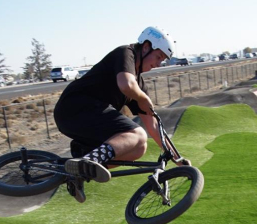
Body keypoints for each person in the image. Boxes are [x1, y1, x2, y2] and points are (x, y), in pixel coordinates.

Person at [53, 26, 182, 203]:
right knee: (136, 134)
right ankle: (87, 160)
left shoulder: (138, 82)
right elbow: (125, 84)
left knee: (138, 148)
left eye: (163, 61)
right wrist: (143, 98)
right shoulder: (125, 53)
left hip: (88, 116)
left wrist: (177, 157)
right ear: (146, 47)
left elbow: (153, 125)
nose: (158, 64)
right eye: (158, 57)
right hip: (74, 107)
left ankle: (79, 169)